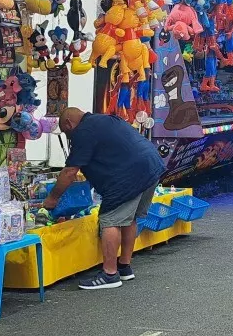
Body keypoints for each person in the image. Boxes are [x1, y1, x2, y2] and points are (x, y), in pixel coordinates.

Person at [46, 107, 166, 290]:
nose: (68, 137)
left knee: (109, 220)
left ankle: (110, 273)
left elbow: (70, 172)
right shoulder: (105, 120)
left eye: (65, 132)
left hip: (129, 176)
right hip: (151, 166)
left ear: (69, 124)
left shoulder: (83, 131)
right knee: (129, 218)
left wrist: (53, 198)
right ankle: (124, 266)